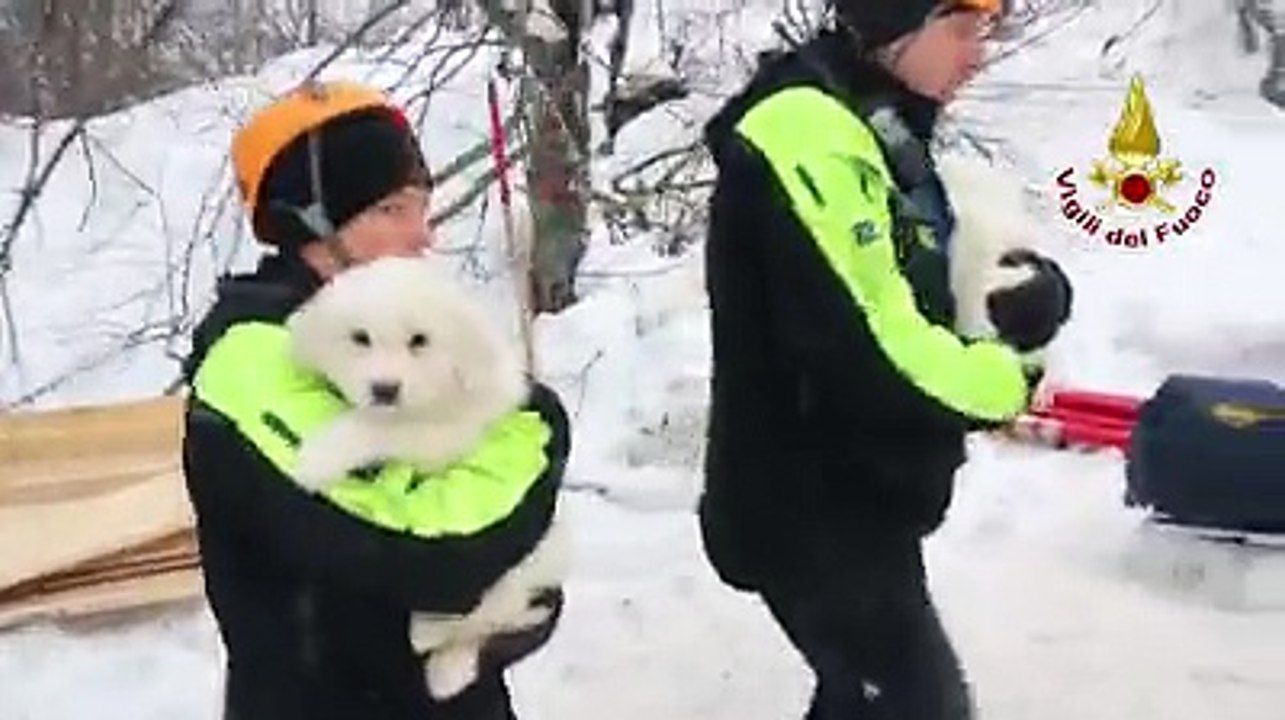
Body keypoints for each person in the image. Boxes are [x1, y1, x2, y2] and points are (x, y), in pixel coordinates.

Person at [697, 1, 1073, 719]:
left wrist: (1018, 293)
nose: (977, 55)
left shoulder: (871, 119)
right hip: (808, 507)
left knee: (869, 697)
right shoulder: (808, 132)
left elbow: (914, 275)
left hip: (854, 499)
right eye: (960, 30)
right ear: (894, 23)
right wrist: (1005, 381)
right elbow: (872, 343)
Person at [179, 79, 570, 720]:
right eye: (391, 210)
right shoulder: (254, 363)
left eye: (423, 206)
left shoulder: (390, 332)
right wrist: (537, 429)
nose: (423, 236)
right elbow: (437, 548)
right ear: (311, 221)